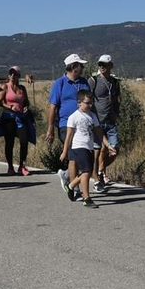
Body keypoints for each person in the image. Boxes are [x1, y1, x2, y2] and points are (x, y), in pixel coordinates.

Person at [46, 54, 91, 193]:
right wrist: (50, 129)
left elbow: (89, 103)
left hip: (83, 123)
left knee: (80, 154)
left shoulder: (84, 82)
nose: (83, 68)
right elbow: (53, 107)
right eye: (80, 65)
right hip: (66, 124)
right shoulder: (60, 83)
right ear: (73, 67)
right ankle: (74, 187)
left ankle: (66, 174)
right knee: (74, 154)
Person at [60, 90, 100, 208]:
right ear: (79, 103)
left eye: (91, 103)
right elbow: (68, 136)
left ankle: (71, 186)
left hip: (89, 147)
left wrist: (106, 144)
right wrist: (65, 151)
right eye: (87, 103)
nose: (90, 105)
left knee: (86, 172)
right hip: (78, 146)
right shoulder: (74, 117)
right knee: (87, 171)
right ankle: (86, 198)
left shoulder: (92, 116)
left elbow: (98, 130)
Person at [88, 54, 121, 192]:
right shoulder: (93, 80)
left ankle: (100, 171)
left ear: (110, 66)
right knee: (100, 150)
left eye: (104, 65)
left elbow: (118, 98)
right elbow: (87, 99)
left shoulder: (114, 82)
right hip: (97, 121)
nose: (101, 67)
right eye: (99, 64)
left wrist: (116, 113)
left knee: (114, 149)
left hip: (110, 121)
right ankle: (97, 178)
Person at [0, 66, 32, 175]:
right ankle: (10, 166)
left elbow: (26, 101)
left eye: (15, 74)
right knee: (9, 142)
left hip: (21, 117)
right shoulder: (5, 87)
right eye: (10, 74)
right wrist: (10, 107)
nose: (12, 76)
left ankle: (22, 165)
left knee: (24, 140)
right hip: (9, 118)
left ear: (18, 76)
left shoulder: (22, 88)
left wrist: (26, 107)